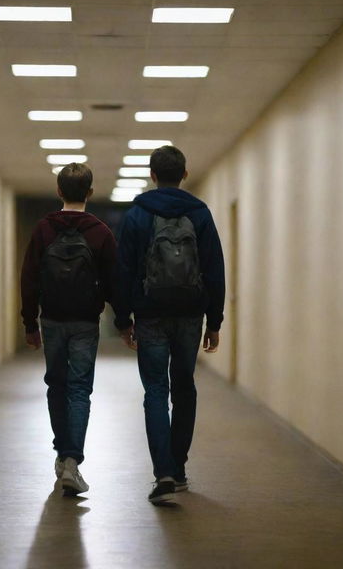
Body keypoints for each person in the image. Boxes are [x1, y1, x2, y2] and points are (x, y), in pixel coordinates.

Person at [114, 146, 226, 504]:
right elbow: (214, 268)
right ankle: (177, 470)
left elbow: (124, 270)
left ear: (152, 174)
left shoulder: (137, 215)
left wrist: (122, 319)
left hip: (150, 314)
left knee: (156, 392)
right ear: (185, 174)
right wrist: (215, 320)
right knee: (185, 388)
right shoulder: (200, 214)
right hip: (190, 314)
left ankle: (162, 470)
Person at [20, 163, 118, 496]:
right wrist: (124, 321)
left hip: (51, 320)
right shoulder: (100, 232)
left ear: (59, 191)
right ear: (90, 193)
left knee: (56, 386)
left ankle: (62, 455)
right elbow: (113, 283)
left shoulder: (43, 230)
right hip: (85, 322)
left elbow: (29, 279)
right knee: (79, 390)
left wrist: (29, 322)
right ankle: (72, 462)